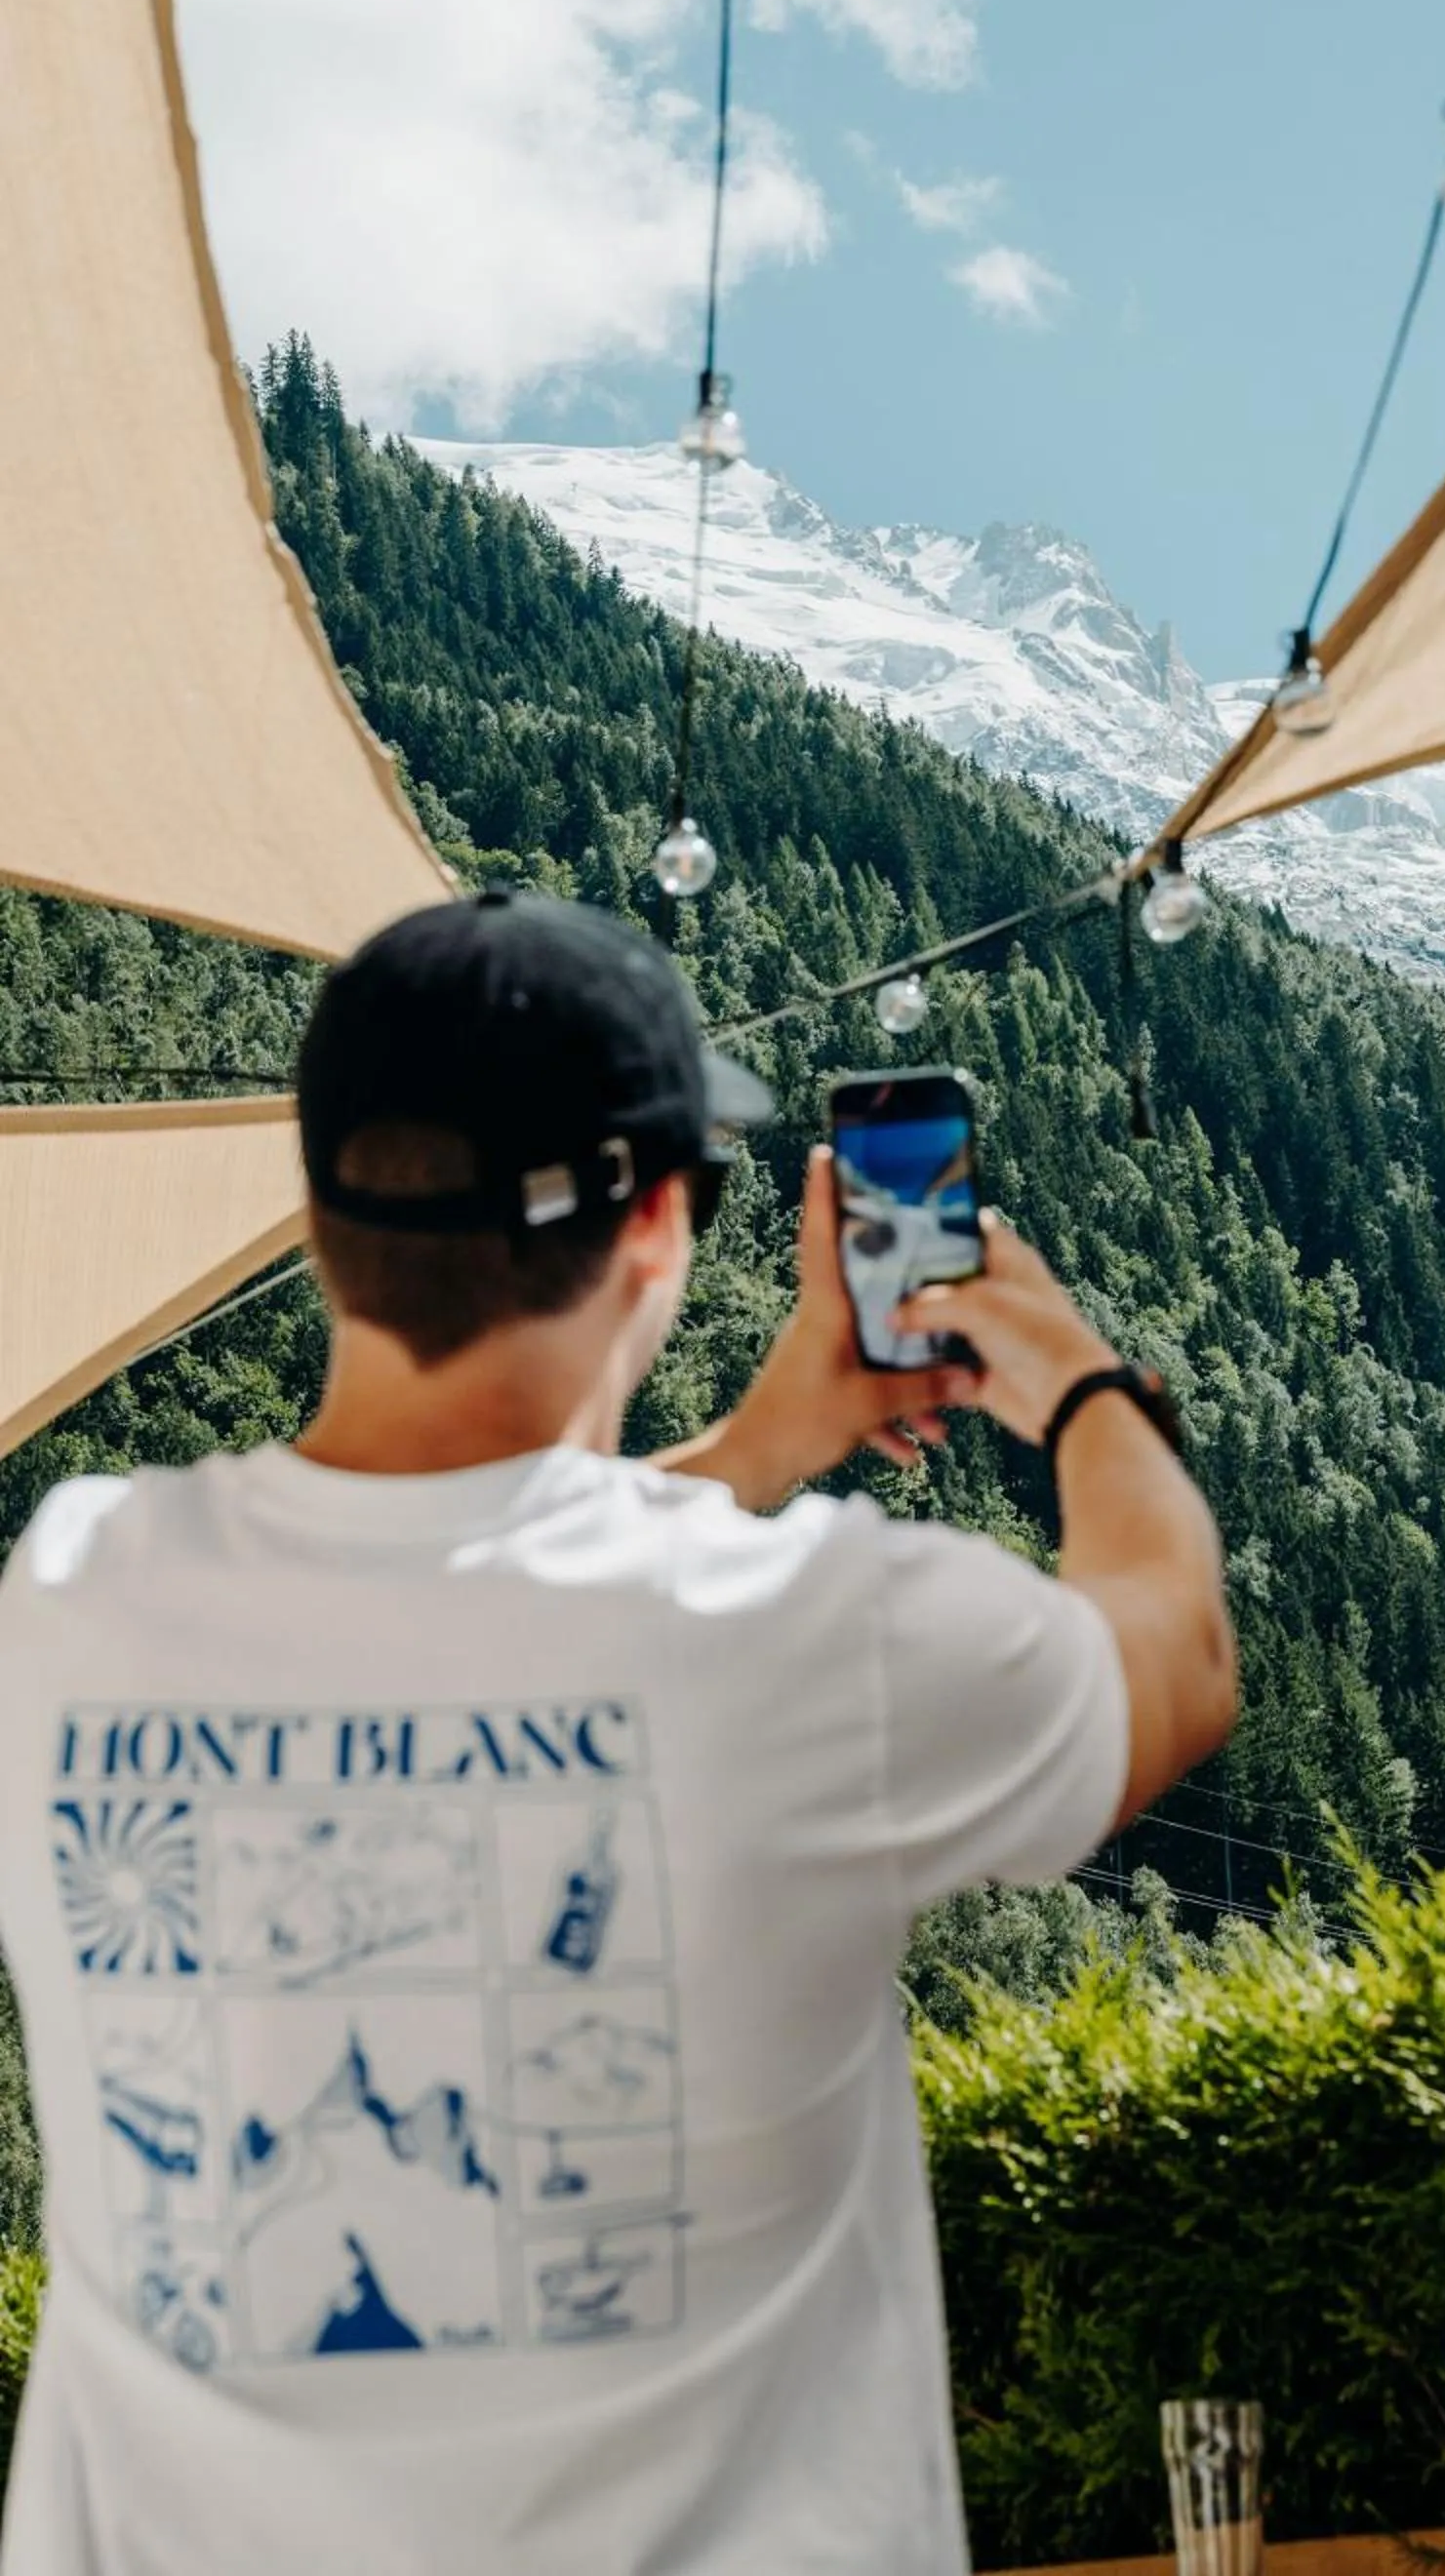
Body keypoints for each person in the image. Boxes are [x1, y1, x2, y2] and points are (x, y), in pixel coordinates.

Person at [0, 889, 1233, 2575]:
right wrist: (1076, 1380)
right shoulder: (803, 1640)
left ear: (318, 1209)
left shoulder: (70, 1604)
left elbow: (437, 1596)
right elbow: (1177, 1649)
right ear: (657, 1225)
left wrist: (752, 1445)